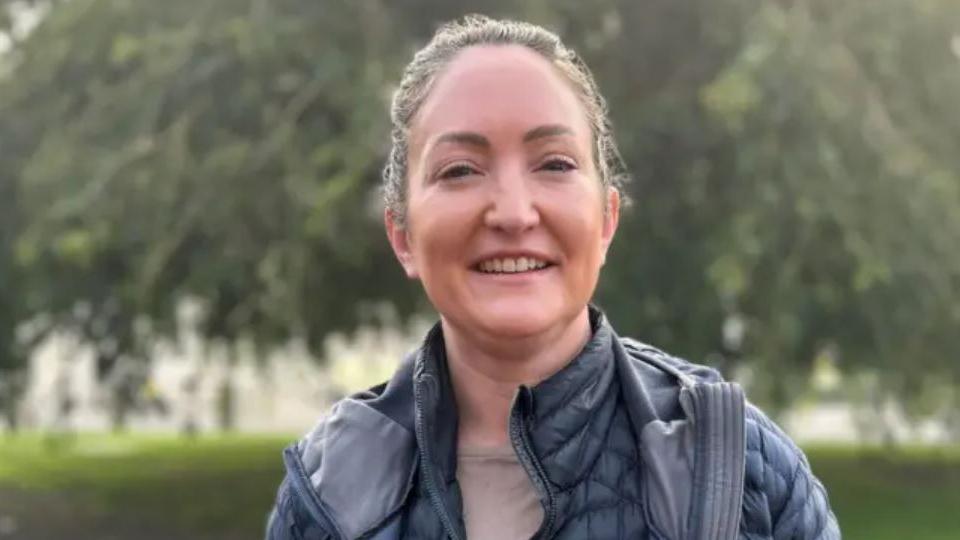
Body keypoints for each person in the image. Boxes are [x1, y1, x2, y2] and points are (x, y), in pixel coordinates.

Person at [266, 15, 840, 540]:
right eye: (460, 170)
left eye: (555, 164)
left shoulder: (741, 470)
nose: (514, 213)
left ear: (607, 221)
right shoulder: (327, 495)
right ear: (403, 236)